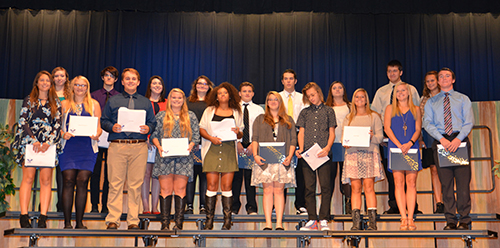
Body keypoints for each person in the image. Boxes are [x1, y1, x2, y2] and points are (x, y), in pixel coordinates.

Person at [101, 68, 157, 230]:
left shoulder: (145, 102)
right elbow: (104, 121)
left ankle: (133, 220)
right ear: (123, 81)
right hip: (117, 146)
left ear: (138, 82)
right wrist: (112, 126)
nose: (131, 81)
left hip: (138, 147)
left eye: (134, 79)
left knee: (135, 185)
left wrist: (148, 128)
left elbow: (152, 122)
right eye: (128, 79)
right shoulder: (113, 101)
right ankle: (113, 219)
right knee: (115, 183)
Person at [423, 68, 474, 230]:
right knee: (446, 183)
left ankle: (465, 219)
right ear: (437, 81)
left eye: (447, 76)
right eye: (441, 77)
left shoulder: (463, 99)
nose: (444, 78)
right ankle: (450, 220)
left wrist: (458, 139)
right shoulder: (431, 102)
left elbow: (468, 122)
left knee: (463, 183)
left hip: (460, 141)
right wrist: (442, 139)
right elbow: (427, 123)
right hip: (441, 142)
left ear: (453, 79)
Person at [13, 70, 62, 228]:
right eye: (42, 80)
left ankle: (43, 216)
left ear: (51, 84)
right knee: (27, 179)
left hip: (48, 145)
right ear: (37, 83)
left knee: (46, 181)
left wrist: (49, 141)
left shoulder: (55, 102)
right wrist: (33, 139)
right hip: (30, 143)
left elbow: (58, 124)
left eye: (48, 81)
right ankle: (23, 215)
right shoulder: (29, 100)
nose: (45, 83)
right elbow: (23, 121)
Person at [371, 60, 421, 214]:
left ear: (401, 72)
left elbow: (417, 118)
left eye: (395, 71)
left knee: (411, 179)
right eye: (389, 71)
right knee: (394, 176)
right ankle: (395, 206)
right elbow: (375, 114)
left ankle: (412, 209)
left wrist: (414, 140)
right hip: (389, 140)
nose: (392, 74)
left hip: (410, 141)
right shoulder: (381, 92)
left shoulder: (411, 89)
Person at [151, 88, 200, 230]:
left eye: (179, 98)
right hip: (164, 158)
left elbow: (196, 136)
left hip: (184, 159)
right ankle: (165, 224)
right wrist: (159, 147)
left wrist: (191, 145)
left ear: (183, 100)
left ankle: (178, 223)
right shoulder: (161, 116)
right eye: (174, 98)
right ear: (169, 99)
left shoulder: (191, 116)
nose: (176, 100)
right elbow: (154, 135)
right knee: (165, 190)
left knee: (180, 190)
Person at [199, 82, 243, 230]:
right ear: (216, 96)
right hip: (212, 148)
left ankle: (227, 220)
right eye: (219, 93)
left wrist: (238, 132)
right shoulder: (209, 110)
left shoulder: (237, 111)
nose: (222, 95)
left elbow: (241, 133)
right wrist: (211, 138)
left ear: (230, 95)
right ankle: (209, 220)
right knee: (211, 185)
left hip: (229, 150)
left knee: (227, 186)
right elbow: (202, 128)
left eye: (225, 93)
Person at [59, 76, 102, 229]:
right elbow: (58, 126)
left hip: (87, 148)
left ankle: (79, 222)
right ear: (72, 86)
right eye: (77, 85)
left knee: (82, 181)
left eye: (83, 85)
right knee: (69, 181)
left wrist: (97, 134)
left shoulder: (94, 104)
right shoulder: (64, 104)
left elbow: (98, 126)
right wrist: (63, 133)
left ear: (87, 87)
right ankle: (67, 223)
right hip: (69, 147)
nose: (80, 88)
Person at [251, 91, 296, 230]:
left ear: (280, 101)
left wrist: (289, 156)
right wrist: (255, 155)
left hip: (283, 161)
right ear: (267, 102)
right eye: (270, 99)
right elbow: (255, 139)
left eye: (276, 99)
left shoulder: (288, 119)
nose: (273, 102)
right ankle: (268, 223)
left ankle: (279, 223)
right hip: (265, 160)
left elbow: (293, 140)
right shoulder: (260, 119)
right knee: (267, 190)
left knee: (279, 190)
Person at [342, 88, 384, 230]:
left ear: (366, 100)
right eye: (357, 97)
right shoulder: (348, 118)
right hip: (353, 155)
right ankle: (356, 223)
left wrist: (372, 136)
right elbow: (344, 139)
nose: (359, 99)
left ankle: (372, 222)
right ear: (353, 100)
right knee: (355, 188)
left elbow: (380, 137)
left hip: (369, 154)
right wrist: (346, 143)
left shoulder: (374, 117)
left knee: (369, 187)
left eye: (362, 97)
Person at [296, 82, 336, 231]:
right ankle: (312, 219)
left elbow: (332, 133)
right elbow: (301, 132)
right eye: (308, 96)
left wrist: (327, 148)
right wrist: (301, 149)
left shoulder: (329, 111)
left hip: (323, 154)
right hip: (308, 155)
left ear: (319, 93)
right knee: (309, 188)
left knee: (326, 187)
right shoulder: (305, 112)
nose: (311, 98)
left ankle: (324, 218)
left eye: (313, 95)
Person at [384, 82, 422, 231]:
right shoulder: (389, 109)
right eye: (397, 91)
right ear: (394, 94)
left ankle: (411, 218)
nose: (400, 93)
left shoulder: (416, 109)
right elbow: (387, 128)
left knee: (411, 182)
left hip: (411, 147)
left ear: (408, 92)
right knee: (398, 182)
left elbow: (418, 129)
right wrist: (399, 145)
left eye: (403, 90)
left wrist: (410, 143)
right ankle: (403, 217)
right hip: (395, 147)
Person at [90, 66, 120, 213]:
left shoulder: (120, 97)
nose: (109, 78)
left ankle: (106, 206)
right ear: (102, 77)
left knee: (110, 173)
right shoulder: (93, 95)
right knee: (94, 172)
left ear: (116, 79)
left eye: (112, 76)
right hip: (95, 136)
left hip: (112, 136)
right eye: (106, 75)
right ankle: (94, 205)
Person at [232, 82, 264, 215]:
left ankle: (252, 207)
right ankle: (234, 206)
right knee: (236, 178)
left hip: (253, 145)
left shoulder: (259, 109)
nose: (247, 93)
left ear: (253, 94)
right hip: (236, 145)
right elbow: (230, 127)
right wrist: (237, 142)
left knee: (251, 178)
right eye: (244, 91)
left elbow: (262, 129)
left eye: (249, 91)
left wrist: (253, 144)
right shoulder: (232, 109)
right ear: (239, 93)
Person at [279, 69, 307, 215]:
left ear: (295, 81)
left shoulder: (303, 98)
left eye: (291, 78)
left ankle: (300, 204)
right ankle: (278, 205)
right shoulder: (276, 97)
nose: (288, 81)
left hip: (299, 133)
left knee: (300, 172)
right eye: (286, 79)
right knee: (281, 170)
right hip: (281, 135)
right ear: (282, 81)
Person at [185, 75, 214, 214]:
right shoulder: (187, 102)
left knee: (204, 175)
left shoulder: (213, 104)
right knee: (190, 175)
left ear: (209, 86)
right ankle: (189, 206)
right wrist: (192, 140)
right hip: (189, 144)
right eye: (199, 83)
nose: (202, 86)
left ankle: (203, 206)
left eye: (205, 84)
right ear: (195, 86)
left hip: (207, 143)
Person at [325, 81, 352, 214]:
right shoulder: (326, 107)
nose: (337, 90)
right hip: (330, 145)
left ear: (343, 90)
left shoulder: (350, 106)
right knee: (328, 178)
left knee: (346, 177)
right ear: (331, 91)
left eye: (340, 87)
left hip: (345, 145)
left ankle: (349, 204)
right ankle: (326, 208)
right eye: (334, 88)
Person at [420, 71, 444, 214]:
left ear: (438, 81)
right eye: (427, 81)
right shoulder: (424, 99)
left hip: (444, 136)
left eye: (432, 81)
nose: (430, 84)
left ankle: (448, 200)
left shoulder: (446, 96)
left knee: (446, 169)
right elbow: (421, 121)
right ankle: (438, 202)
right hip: (429, 136)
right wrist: (420, 138)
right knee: (434, 169)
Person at [142, 76, 167, 215]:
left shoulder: (168, 103)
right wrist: (145, 138)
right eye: (154, 83)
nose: (157, 85)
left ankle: (155, 207)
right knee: (146, 174)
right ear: (149, 86)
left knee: (158, 175)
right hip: (146, 143)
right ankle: (146, 207)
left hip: (163, 145)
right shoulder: (143, 102)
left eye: (160, 83)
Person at [52, 66, 70, 212]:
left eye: (62, 76)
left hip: (64, 137)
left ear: (66, 78)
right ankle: (42, 203)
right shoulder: (48, 92)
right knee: (45, 170)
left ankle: (61, 202)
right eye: (56, 76)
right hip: (48, 134)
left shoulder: (70, 94)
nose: (59, 78)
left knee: (62, 171)